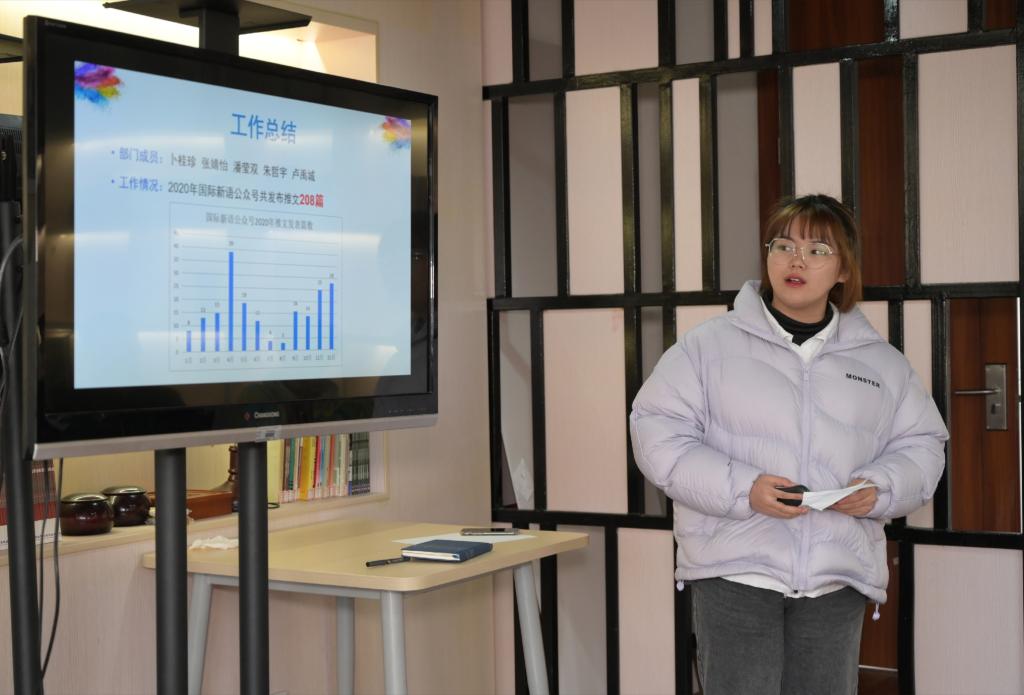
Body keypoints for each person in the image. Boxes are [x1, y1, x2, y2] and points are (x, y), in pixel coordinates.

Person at [629, 194, 947, 695]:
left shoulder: (881, 363)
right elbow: (657, 432)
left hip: (835, 578)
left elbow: (923, 445)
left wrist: (881, 489)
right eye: (783, 246)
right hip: (735, 570)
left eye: (818, 250)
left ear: (844, 270)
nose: (796, 261)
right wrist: (744, 489)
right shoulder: (707, 346)